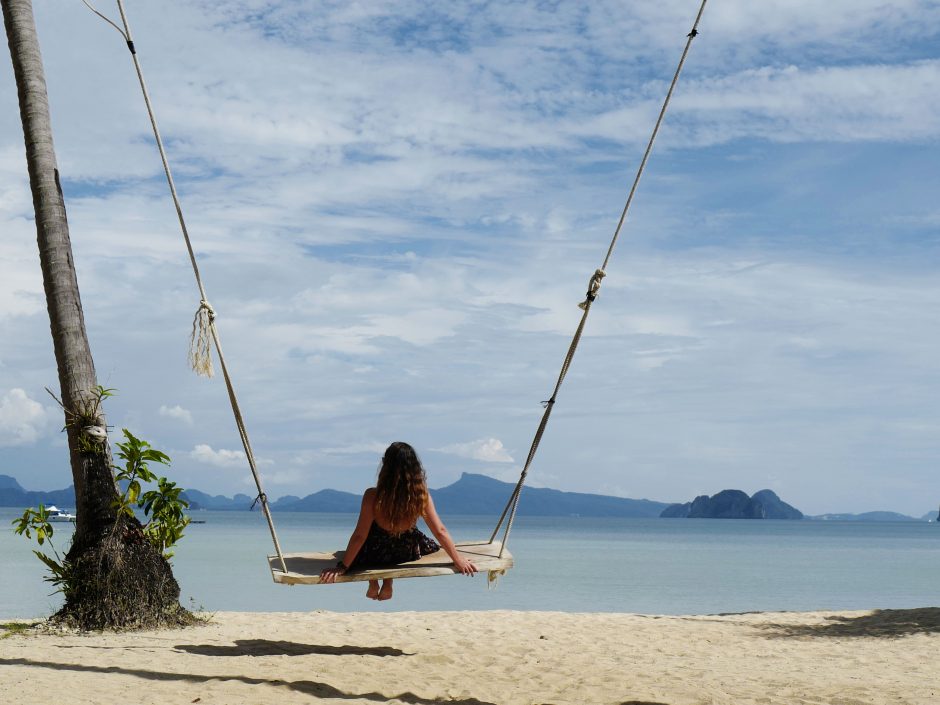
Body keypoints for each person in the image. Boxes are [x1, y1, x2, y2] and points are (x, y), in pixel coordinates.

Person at [319, 441, 477, 600]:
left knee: (369, 539)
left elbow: (360, 536)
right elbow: (439, 530)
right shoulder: (421, 496)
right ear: (415, 468)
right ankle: (388, 583)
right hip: (406, 552)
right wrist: (458, 559)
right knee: (397, 536)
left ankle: (373, 583)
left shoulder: (373, 496)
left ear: (384, 465)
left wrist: (343, 567)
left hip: (374, 554)